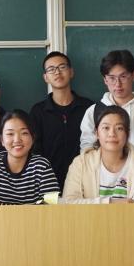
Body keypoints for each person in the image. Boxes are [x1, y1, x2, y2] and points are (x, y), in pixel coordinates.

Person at [63, 105, 134, 204]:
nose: (112, 134)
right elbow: (68, 203)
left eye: (119, 128)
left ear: (127, 134)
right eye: (106, 128)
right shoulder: (81, 163)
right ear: (97, 133)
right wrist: (111, 202)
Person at [29, 51, 93, 189]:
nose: (57, 72)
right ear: (45, 77)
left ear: (71, 72)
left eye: (62, 67)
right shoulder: (38, 111)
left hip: (83, 182)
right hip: (47, 183)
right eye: (51, 69)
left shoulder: (88, 108)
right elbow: (34, 151)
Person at [0, 110, 59, 205]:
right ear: (2, 140)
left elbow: (52, 206)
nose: (17, 140)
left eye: (24, 133)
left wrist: (1, 205)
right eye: (10, 134)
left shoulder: (42, 166)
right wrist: (33, 207)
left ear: (33, 138)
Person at [79, 50, 134, 150]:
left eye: (123, 76)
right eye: (112, 78)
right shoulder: (94, 111)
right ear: (105, 80)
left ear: (133, 75)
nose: (118, 84)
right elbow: (87, 148)